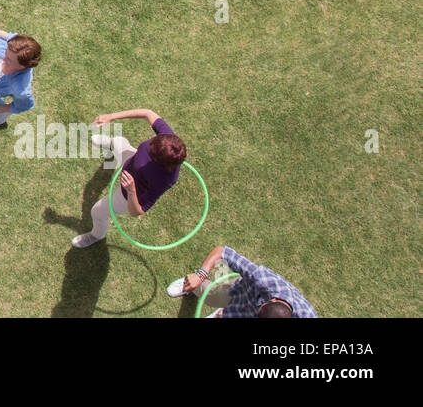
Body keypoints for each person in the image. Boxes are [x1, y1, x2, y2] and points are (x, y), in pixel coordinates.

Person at [71, 108, 186, 248]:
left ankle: (96, 235)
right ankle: (111, 145)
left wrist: (131, 190)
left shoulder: (164, 179)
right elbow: (147, 113)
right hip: (131, 161)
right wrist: (111, 116)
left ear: (157, 161)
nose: (149, 145)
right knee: (119, 142)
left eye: (151, 149)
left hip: (127, 195)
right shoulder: (168, 139)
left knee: (97, 211)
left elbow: (137, 211)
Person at [167, 245, 317, 317]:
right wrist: (200, 275)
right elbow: (222, 252)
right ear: (269, 301)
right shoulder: (264, 280)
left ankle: (221, 314)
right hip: (239, 293)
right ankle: (190, 286)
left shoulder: (307, 315)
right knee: (212, 296)